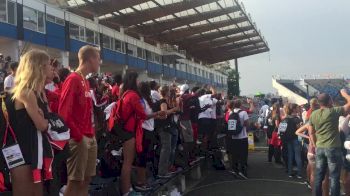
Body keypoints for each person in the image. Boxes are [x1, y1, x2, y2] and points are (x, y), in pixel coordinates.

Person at [110, 72, 165, 195]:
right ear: (133, 81)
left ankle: (129, 188)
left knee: (128, 162)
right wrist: (157, 114)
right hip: (129, 132)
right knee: (128, 163)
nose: (139, 82)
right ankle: (127, 191)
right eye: (137, 80)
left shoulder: (125, 93)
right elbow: (143, 115)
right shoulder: (133, 96)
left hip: (125, 130)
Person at [59, 45, 101, 196]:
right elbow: (64, 113)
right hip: (79, 138)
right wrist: (78, 136)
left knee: (86, 179)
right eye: (98, 58)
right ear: (90, 59)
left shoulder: (85, 81)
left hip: (89, 136)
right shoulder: (73, 79)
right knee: (75, 180)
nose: (100, 62)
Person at [9, 50, 51, 196]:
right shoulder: (26, 92)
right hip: (22, 154)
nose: (51, 68)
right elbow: (42, 125)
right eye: (48, 65)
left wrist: (44, 119)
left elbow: (47, 120)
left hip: (34, 152)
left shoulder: (39, 92)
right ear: (39, 67)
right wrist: (44, 120)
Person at [308, 91, 350, 196]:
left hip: (320, 148)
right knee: (335, 177)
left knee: (319, 176)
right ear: (330, 101)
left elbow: (311, 131)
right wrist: (344, 93)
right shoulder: (333, 111)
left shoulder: (314, 114)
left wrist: (314, 144)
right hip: (333, 148)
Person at [156, 85, 180, 178]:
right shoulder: (163, 101)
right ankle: (162, 172)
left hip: (169, 127)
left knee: (169, 149)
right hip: (165, 127)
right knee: (166, 149)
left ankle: (167, 169)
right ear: (166, 92)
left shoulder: (165, 101)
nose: (170, 92)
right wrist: (173, 109)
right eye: (169, 91)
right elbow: (164, 113)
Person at [225, 99, 250, 179]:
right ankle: (243, 171)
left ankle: (235, 170)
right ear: (240, 105)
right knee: (243, 155)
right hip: (242, 137)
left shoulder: (231, 113)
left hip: (233, 137)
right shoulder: (244, 112)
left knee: (234, 155)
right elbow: (247, 124)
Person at [280, 103, 303, 178]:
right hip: (296, 139)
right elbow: (299, 129)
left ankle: (290, 172)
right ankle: (299, 173)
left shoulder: (285, 119)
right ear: (293, 109)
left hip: (288, 139)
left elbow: (281, 131)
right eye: (297, 108)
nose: (298, 109)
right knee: (297, 156)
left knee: (290, 155)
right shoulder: (296, 119)